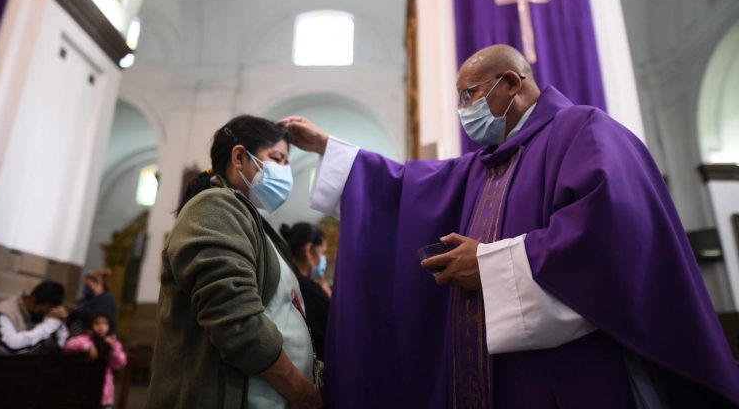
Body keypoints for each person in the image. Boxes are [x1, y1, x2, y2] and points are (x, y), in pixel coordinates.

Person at [282, 44, 739, 408]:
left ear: (511, 84)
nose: (464, 109)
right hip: (503, 376)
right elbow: (408, 186)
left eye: (469, 94)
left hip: (578, 372)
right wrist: (328, 147)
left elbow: (611, 236)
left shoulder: (583, 130)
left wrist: (489, 263)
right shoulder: (484, 166)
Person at [147, 115, 322, 409]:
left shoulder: (252, 222)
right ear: (240, 157)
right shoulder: (214, 206)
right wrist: (302, 392)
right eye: (277, 158)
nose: (285, 171)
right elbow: (237, 323)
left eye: (287, 163)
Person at [280, 222, 331, 358]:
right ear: (309, 250)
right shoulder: (308, 289)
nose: (323, 260)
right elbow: (333, 330)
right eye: (322, 252)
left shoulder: (288, 279)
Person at [0, 281, 69, 354]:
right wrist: (48, 326)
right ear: (33, 300)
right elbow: (10, 347)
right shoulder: (3, 314)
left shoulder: (43, 317)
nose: (45, 314)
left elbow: (58, 347)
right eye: (43, 309)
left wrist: (59, 323)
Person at [65, 312, 127, 409]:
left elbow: (120, 362)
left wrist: (114, 348)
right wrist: (88, 346)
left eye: (105, 323)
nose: (101, 327)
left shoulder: (113, 342)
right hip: (86, 384)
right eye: (97, 323)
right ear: (91, 325)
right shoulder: (86, 338)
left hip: (104, 389)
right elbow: (69, 345)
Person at [68, 269, 117, 335]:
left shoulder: (107, 300)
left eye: (88, 286)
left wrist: (77, 310)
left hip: (91, 337)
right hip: (76, 334)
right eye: (85, 286)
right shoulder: (86, 299)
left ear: (98, 284)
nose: (85, 289)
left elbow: (99, 318)